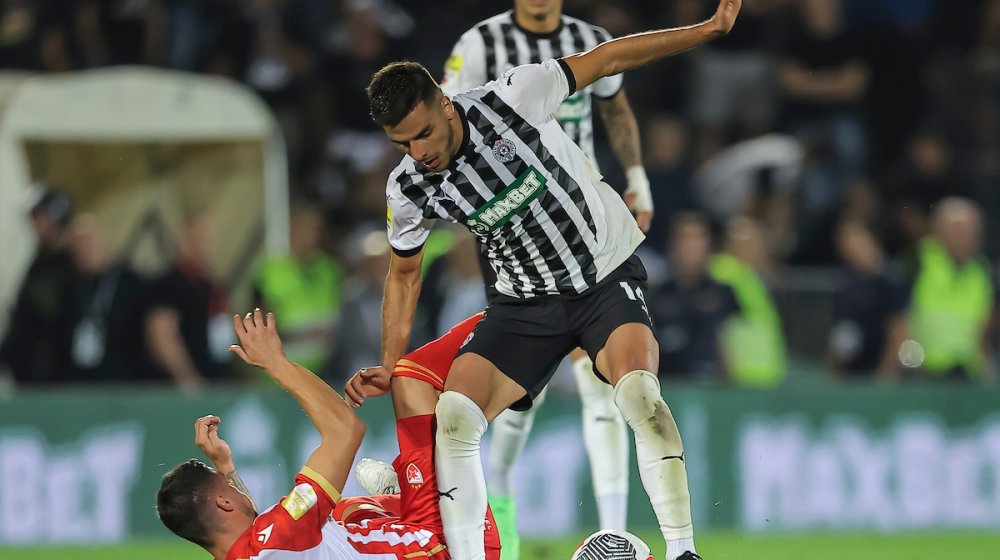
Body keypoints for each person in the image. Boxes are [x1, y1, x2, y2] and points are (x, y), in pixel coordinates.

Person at [353, 3, 743, 560]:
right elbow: (404, 274)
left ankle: (684, 552)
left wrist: (706, 31)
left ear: (444, 101)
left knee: (639, 397)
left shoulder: (513, 96)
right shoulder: (409, 187)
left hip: (603, 278)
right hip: (523, 305)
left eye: (424, 135)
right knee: (455, 418)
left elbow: (607, 59)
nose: (419, 153)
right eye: (402, 145)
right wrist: (390, 362)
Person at [440, 0, 652, 549]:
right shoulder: (480, 46)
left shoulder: (589, 36)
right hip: (515, 238)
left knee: (601, 384)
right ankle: (503, 522)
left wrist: (637, 178)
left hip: (587, 229)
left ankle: (613, 535)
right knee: (516, 397)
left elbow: (616, 109)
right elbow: (448, 127)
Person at [156, 308, 501, 560]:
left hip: (414, 534)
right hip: (446, 542)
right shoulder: (277, 541)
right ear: (224, 502)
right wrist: (277, 363)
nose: (232, 486)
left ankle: (400, 493)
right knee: (412, 381)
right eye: (228, 487)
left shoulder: (253, 549)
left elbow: (266, 531)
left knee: (342, 514)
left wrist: (227, 469)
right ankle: (516, 310)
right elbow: (345, 429)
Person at [650, 213, 740, 383]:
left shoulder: (724, 293)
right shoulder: (657, 295)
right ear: (673, 245)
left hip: (712, 387)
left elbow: (732, 344)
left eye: (697, 239)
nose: (690, 246)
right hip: (668, 386)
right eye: (685, 238)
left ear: (708, 246)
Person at [0, 188, 76, 384]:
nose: (33, 224)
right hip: (31, 373)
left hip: (57, 378)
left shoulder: (72, 262)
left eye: (38, 216)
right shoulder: (41, 261)